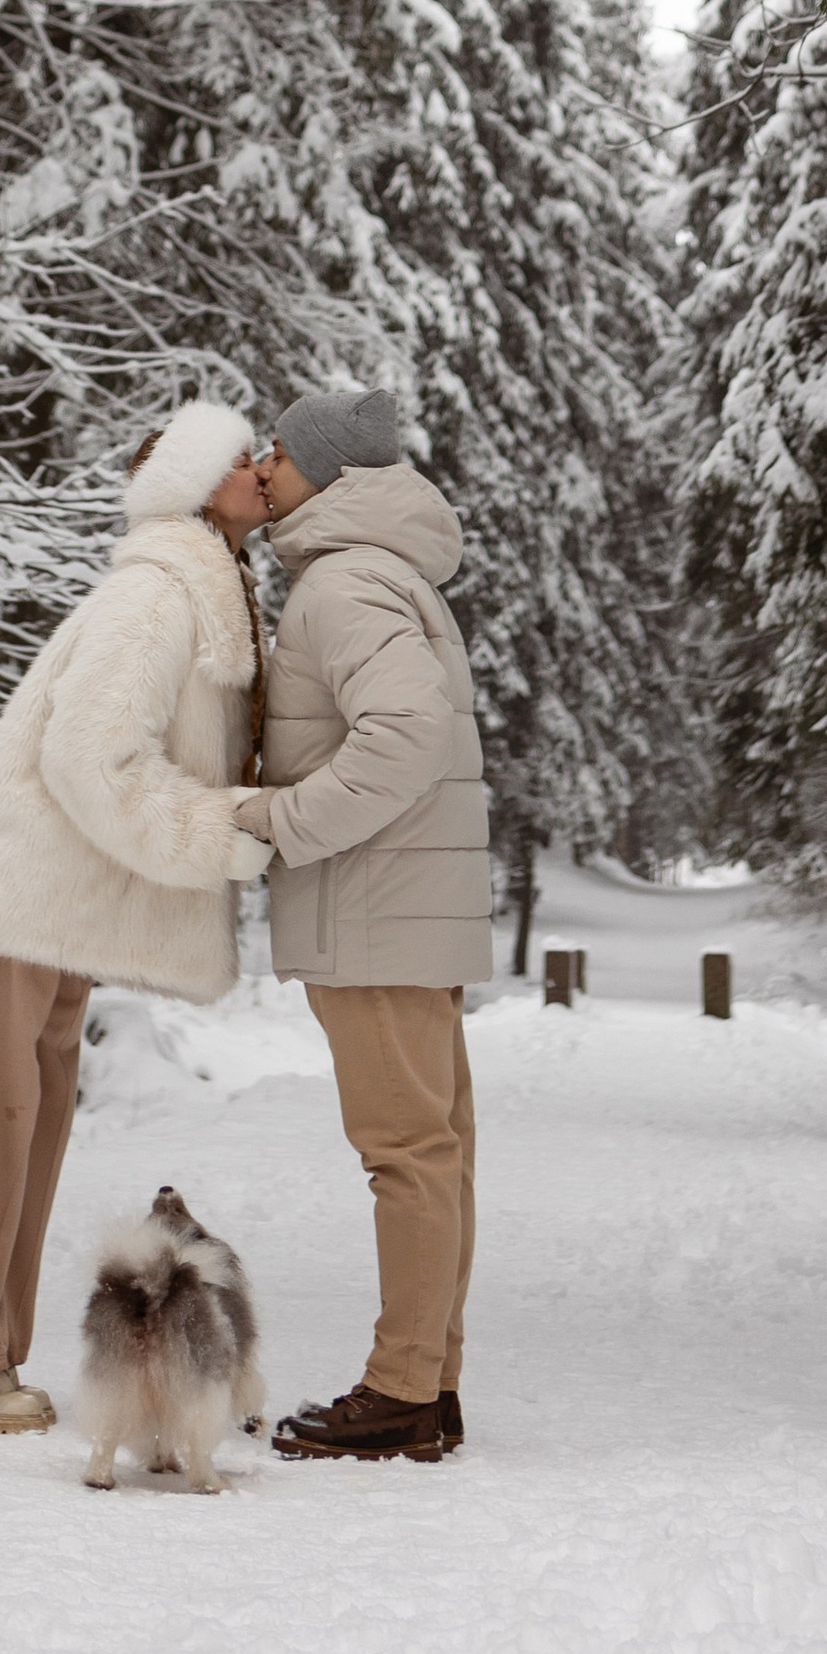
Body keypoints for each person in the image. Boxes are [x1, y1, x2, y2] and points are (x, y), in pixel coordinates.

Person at [0, 398, 273, 1432]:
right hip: (22, 887)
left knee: (24, 1117)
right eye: (239, 458)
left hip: (59, 898)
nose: (261, 467)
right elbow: (91, 754)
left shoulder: (201, 584)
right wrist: (214, 836)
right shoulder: (156, 594)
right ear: (193, 485)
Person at [232, 383, 491, 1464]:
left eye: (278, 453)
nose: (262, 467)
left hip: (376, 907)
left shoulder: (339, 584)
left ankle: (397, 1393)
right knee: (436, 1153)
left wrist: (282, 821)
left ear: (328, 473)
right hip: (405, 908)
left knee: (406, 1156)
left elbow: (404, 733)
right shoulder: (375, 571)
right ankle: (427, 1388)